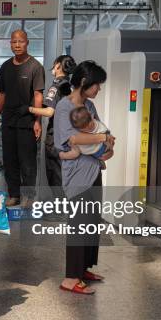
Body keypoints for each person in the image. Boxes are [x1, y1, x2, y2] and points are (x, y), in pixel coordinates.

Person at [53, 60, 114, 295]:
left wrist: (106, 142)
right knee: (78, 225)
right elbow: (73, 140)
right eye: (96, 85)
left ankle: (84, 268)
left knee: (91, 222)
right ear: (84, 83)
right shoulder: (63, 108)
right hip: (77, 174)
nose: (98, 89)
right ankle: (71, 277)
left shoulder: (89, 106)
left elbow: (99, 130)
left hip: (94, 169)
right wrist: (102, 139)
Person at [0, 30, 45, 207]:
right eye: (14, 42)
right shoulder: (6, 66)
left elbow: (38, 95)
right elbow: (1, 93)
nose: (17, 45)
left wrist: (37, 121)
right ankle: (14, 194)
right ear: (10, 44)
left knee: (27, 162)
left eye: (21, 41)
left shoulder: (35, 67)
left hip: (27, 121)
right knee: (9, 160)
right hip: (8, 121)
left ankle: (28, 196)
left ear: (27, 42)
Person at [23, 55, 76, 188]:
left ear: (58, 65)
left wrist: (29, 109)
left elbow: (49, 111)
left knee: (55, 178)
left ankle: (59, 207)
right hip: (70, 136)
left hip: (55, 139)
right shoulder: (71, 86)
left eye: (54, 64)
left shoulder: (56, 86)